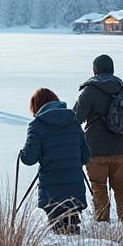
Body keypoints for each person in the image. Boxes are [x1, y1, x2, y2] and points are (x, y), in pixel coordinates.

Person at [20, 88, 91, 234]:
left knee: (59, 232)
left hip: (52, 190)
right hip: (75, 186)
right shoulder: (73, 120)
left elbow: (29, 159)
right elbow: (85, 156)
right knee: (72, 229)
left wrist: (22, 154)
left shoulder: (36, 125)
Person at [73, 54, 123, 223]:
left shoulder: (90, 90)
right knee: (120, 186)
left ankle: (102, 223)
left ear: (95, 70)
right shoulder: (122, 87)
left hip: (96, 148)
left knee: (99, 187)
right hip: (121, 146)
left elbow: (76, 117)